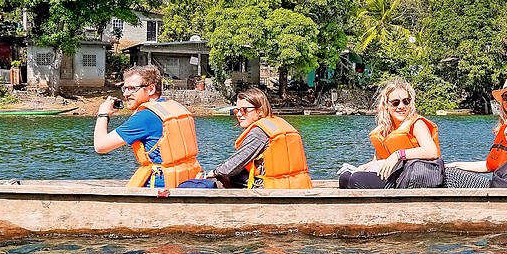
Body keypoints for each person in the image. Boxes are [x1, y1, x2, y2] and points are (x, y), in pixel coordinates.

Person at [180, 87, 312, 189]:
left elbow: (232, 167)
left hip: (269, 189)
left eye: (244, 110)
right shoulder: (277, 125)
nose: (239, 114)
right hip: (295, 185)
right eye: (236, 111)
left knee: (203, 183)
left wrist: (213, 172)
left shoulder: (260, 133)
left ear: (259, 110)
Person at [94, 64, 202, 188]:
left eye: (132, 89)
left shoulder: (145, 117)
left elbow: (100, 146)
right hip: (184, 181)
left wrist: (103, 114)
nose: (126, 94)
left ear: (150, 89)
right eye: (125, 88)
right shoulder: (172, 107)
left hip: (159, 188)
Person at [339, 79, 444, 189]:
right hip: (393, 175)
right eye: (395, 103)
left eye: (406, 101)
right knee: (345, 177)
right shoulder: (385, 130)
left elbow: (432, 151)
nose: (401, 106)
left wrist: (398, 155)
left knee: (356, 180)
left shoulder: (417, 124)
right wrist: (362, 167)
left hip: (414, 175)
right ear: (386, 105)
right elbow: (378, 161)